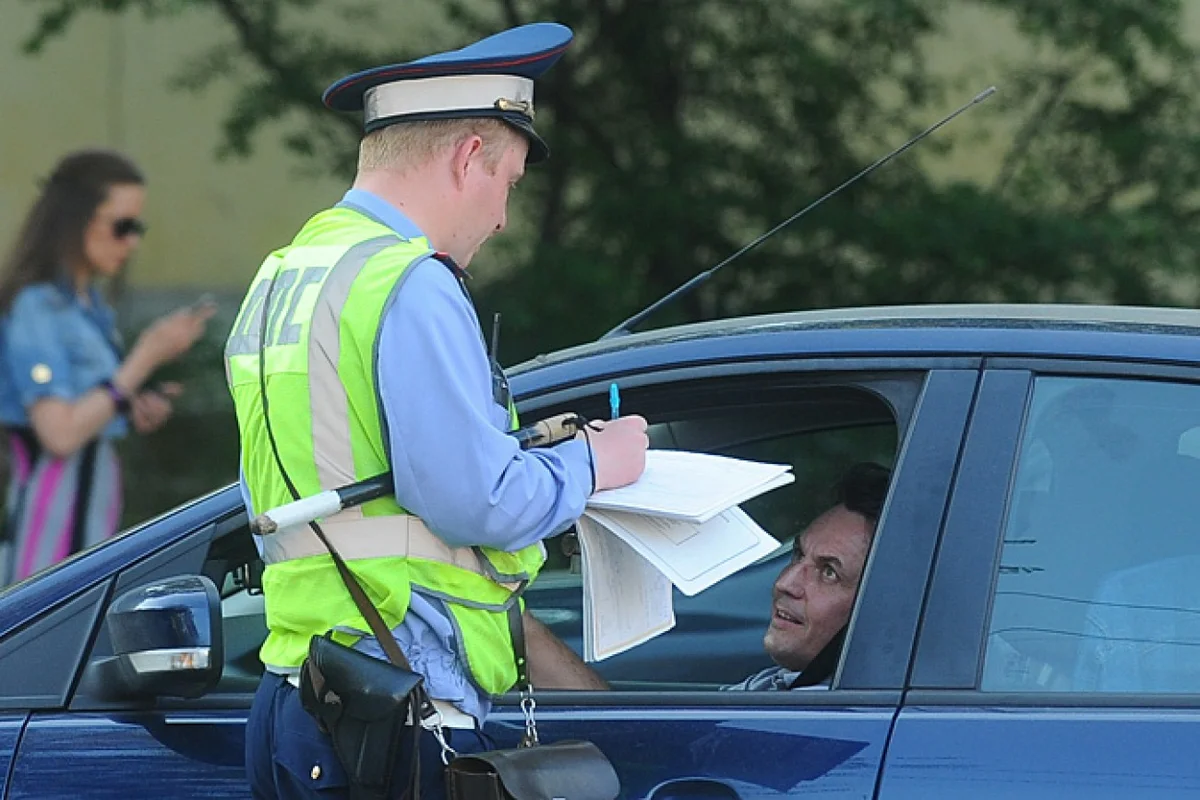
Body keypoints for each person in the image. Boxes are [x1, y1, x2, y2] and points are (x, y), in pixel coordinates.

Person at [225, 22, 648, 800]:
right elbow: (473, 498)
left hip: (301, 693)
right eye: (509, 185)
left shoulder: (287, 273)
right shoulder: (410, 282)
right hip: (399, 707)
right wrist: (597, 463)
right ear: (467, 159)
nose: (503, 220)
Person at [0, 149, 215, 587]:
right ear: (76, 221)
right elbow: (59, 433)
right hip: (49, 520)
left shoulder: (89, 306)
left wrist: (132, 404)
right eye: (122, 226)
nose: (132, 242)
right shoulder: (38, 308)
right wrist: (145, 357)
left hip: (88, 511)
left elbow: (93, 407)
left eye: (137, 227)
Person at [724, 462, 890, 691]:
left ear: (878, 608)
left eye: (829, 572)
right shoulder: (778, 683)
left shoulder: (828, 712)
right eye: (798, 554)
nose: (785, 584)